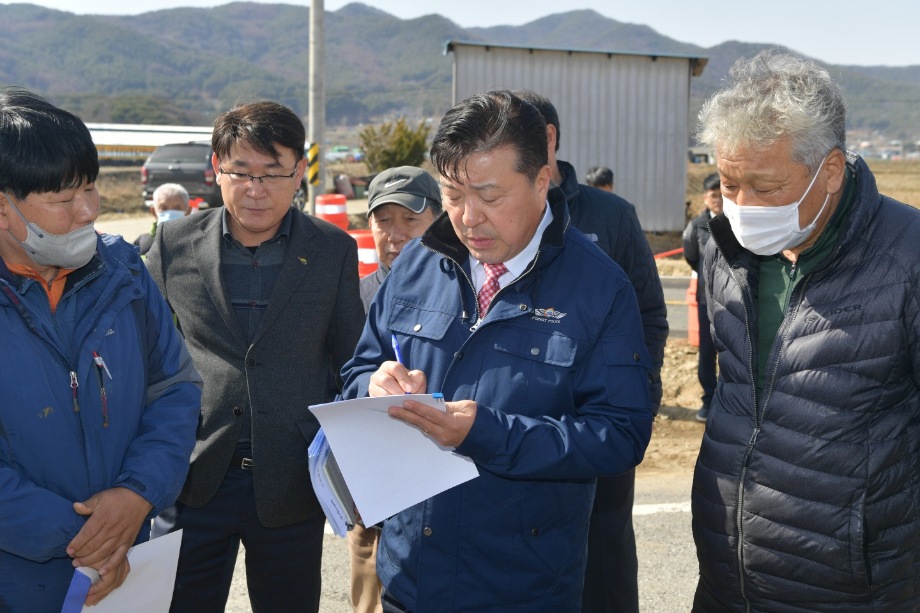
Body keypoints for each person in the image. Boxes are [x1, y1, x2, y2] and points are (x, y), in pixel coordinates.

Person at [342, 90, 654, 612]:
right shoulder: (418, 264)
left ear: (540, 181)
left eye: (489, 196)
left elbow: (619, 435)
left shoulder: (599, 288)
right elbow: (357, 368)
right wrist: (374, 385)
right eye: (452, 195)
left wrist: (489, 434)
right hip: (408, 576)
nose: (467, 218)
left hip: (523, 586)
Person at [692, 50, 920, 610]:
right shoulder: (726, 250)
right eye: (728, 183)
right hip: (728, 579)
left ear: (832, 170)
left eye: (766, 188)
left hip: (855, 590)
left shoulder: (907, 257)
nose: (742, 206)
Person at [145, 100, 365, 612]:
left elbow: (350, 356)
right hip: (194, 474)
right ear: (216, 172)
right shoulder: (173, 244)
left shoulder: (332, 249)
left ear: (298, 175)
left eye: (273, 173)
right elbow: (145, 352)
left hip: (290, 479)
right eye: (241, 172)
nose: (256, 189)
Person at [0, 87, 200, 610]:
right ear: (3, 209)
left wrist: (137, 495)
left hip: (126, 565)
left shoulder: (122, 270)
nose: (89, 211)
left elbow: (175, 388)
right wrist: (87, 541)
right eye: (64, 200)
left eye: (90, 188)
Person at [516, 89, 667, 613]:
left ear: (548, 140)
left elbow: (650, 314)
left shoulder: (612, 215)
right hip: (517, 425)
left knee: (604, 553)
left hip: (598, 425)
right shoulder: (495, 220)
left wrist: (637, 397)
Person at [350, 165, 441, 613]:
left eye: (410, 218)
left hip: (443, 483)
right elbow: (341, 379)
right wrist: (367, 384)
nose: (395, 233)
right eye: (383, 220)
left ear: (440, 220)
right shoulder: (352, 295)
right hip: (373, 493)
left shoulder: (457, 291)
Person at [358, 166, 442, 309]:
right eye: (384, 220)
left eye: (410, 219)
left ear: (438, 223)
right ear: (370, 225)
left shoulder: (462, 296)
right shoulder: (353, 301)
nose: (395, 236)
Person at [682, 172, 721, 422]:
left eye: (721, 195)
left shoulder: (737, 222)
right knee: (706, 352)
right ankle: (708, 399)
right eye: (713, 195)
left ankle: (730, 400)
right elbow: (691, 257)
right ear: (705, 197)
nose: (718, 200)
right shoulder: (696, 226)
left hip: (737, 301)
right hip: (707, 298)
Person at [134, 182, 190, 255]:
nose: (170, 213)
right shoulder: (142, 244)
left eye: (177, 208)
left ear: (188, 211)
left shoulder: (198, 244)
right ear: (153, 211)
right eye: (164, 208)